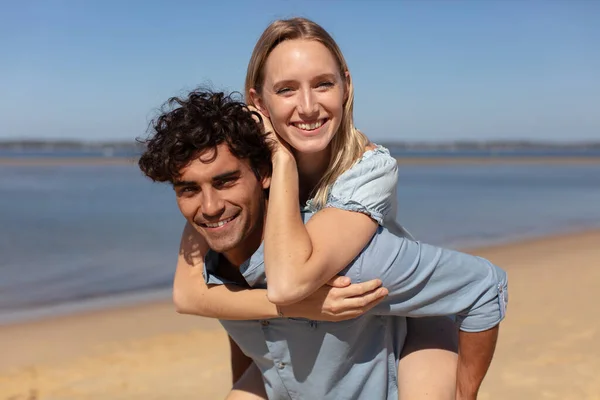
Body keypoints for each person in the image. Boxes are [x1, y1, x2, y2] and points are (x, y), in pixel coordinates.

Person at [172, 17, 478, 399]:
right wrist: (303, 309)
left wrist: (281, 161)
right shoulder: (239, 178)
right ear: (258, 102)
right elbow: (191, 296)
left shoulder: (366, 169)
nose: (308, 106)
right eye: (286, 89)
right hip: (311, 341)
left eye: (323, 84)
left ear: (346, 86)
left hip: (407, 323)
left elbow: (286, 283)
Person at [138, 89, 508, 399]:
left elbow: (483, 287)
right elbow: (247, 338)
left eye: (226, 181)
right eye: (189, 189)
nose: (210, 207)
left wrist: (463, 394)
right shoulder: (213, 256)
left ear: (264, 174)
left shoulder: (347, 260)